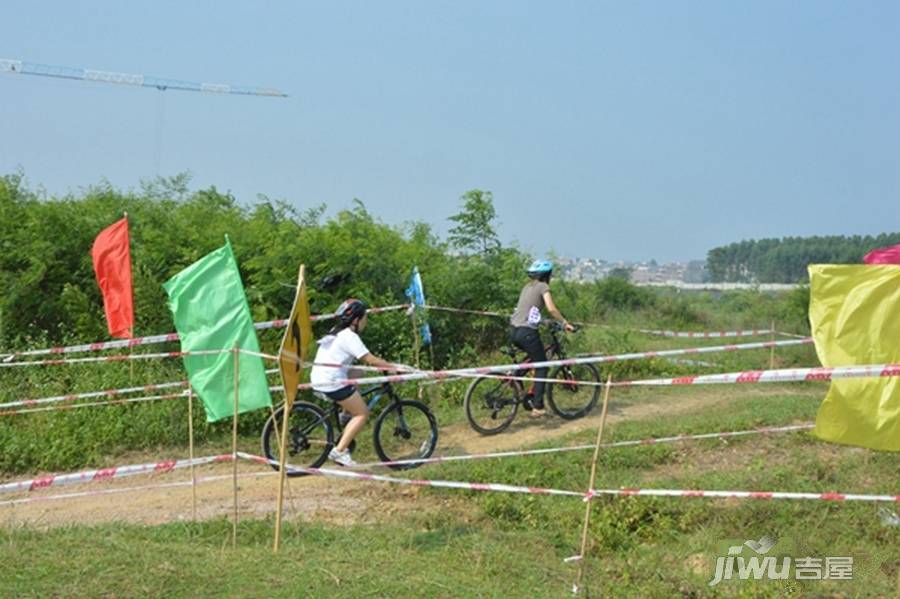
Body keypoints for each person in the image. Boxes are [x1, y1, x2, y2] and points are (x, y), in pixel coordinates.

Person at [310, 299, 399, 467]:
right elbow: (369, 358)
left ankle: (345, 415)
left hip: (319, 377)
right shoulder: (350, 337)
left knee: (359, 371)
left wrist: (382, 365)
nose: (366, 321)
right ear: (356, 320)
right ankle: (339, 451)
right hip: (332, 381)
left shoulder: (336, 332)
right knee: (362, 413)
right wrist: (392, 367)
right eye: (364, 317)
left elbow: (363, 363)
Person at [509, 260, 575, 416]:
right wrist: (565, 323)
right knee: (542, 366)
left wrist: (544, 321)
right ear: (547, 275)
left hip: (513, 330)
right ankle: (537, 406)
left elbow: (528, 313)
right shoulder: (544, 287)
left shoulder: (527, 287)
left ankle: (517, 384)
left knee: (531, 359)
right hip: (527, 332)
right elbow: (551, 309)